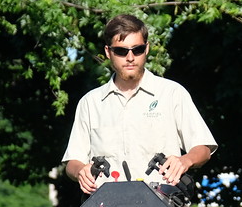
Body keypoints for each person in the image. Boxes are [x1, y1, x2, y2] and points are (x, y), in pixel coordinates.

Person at [62, 14, 217, 194]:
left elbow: (204, 148)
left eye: (137, 50)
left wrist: (185, 160)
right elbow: (72, 161)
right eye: (121, 51)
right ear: (108, 52)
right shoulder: (90, 102)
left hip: (162, 206)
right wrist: (81, 171)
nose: (130, 57)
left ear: (147, 49)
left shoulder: (172, 93)